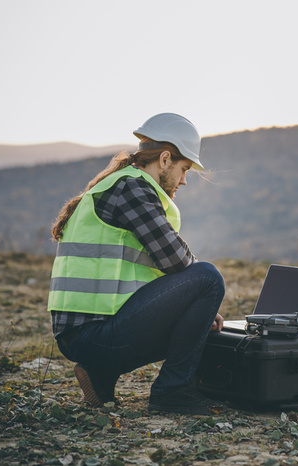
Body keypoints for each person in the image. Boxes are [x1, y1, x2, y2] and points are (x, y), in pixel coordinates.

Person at [47, 113, 225, 415]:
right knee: (207, 277)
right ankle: (172, 391)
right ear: (165, 159)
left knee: (200, 308)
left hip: (85, 333)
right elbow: (175, 258)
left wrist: (200, 311)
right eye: (184, 170)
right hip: (92, 334)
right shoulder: (132, 189)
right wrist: (202, 298)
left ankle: (100, 374)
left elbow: (153, 272)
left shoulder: (122, 186)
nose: (183, 180)